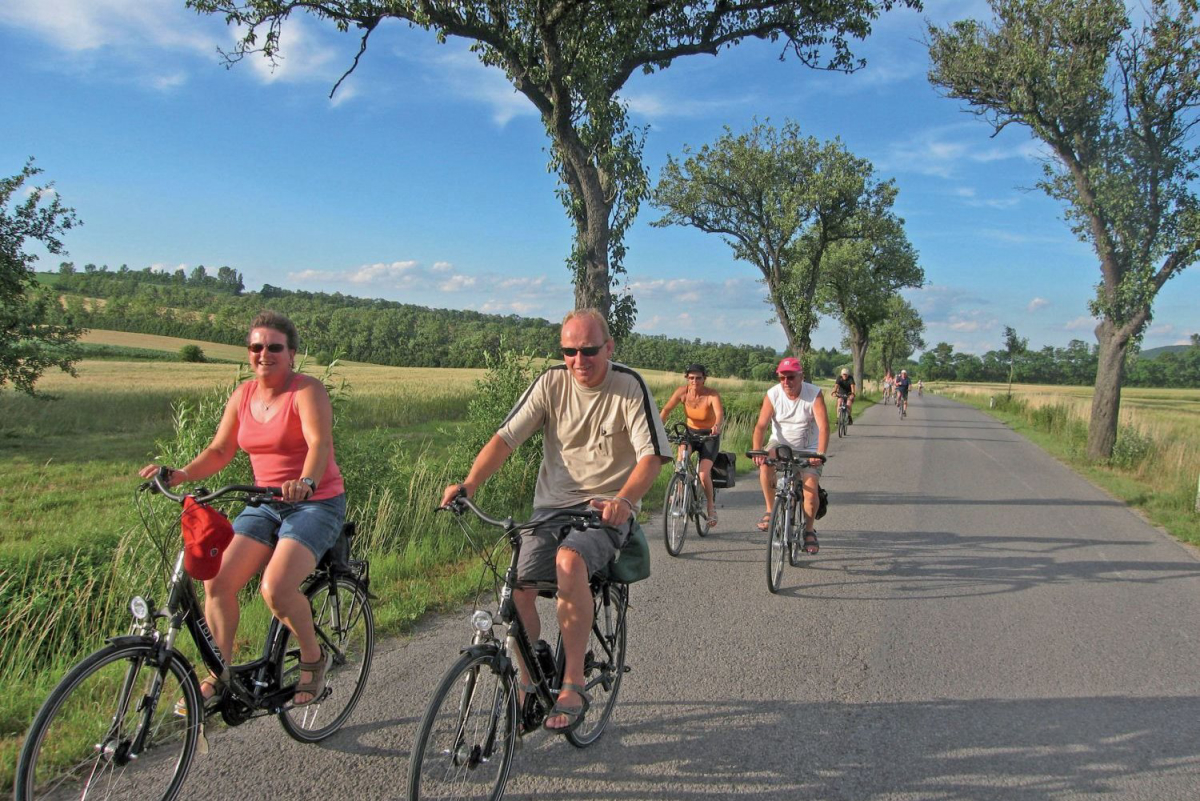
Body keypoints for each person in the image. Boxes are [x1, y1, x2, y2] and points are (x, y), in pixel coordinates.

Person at [440, 308, 670, 733]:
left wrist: (624, 498)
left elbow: (651, 457)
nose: (578, 360)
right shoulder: (551, 382)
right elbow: (505, 439)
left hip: (605, 509)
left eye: (588, 350)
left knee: (569, 562)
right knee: (519, 588)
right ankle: (528, 680)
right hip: (551, 508)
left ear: (609, 347)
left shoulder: (628, 386)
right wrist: (469, 484)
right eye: (569, 351)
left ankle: (573, 682)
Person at [140, 311, 346, 708]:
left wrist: (306, 482)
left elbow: (318, 444)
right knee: (216, 582)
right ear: (248, 353)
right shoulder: (243, 395)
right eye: (256, 347)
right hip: (264, 502)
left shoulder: (306, 391)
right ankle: (222, 673)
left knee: (277, 588)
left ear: (291, 354)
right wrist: (180, 473)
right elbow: (220, 450)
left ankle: (312, 659)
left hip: (314, 503)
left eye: (274, 347)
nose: (263, 354)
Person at [750, 357, 829, 554]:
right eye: (782, 378)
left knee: (810, 494)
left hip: (808, 449)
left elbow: (824, 426)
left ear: (801, 376)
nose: (786, 382)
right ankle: (770, 510)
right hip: (780, 444)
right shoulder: (773, 394)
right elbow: (761, 426)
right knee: (766, 464)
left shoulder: (814, 394)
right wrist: (757, 450)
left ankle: (809, 531)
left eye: (791, 377)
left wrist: (819, 454)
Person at [659, 363, 724, 526]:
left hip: (709, 436)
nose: (695, 381)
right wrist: (658, 427)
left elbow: (719, 414)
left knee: (703, 474)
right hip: (690, 433)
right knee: (680, 463)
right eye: (691, 378)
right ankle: (680, 494)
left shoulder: (711, 395)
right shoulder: (682, 392)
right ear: (687, 379)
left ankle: (711, 507)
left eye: (698, 378)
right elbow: (666, 410)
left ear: (704, 379)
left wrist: (717, 426)